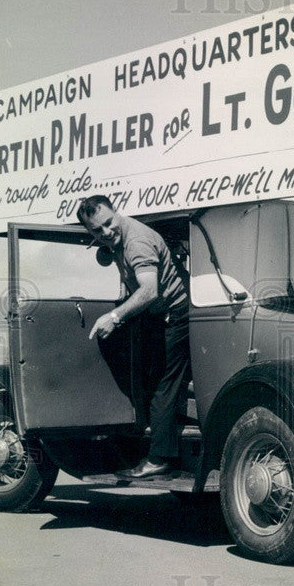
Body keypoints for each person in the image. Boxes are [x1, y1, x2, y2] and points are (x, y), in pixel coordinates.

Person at [76, 195, 191, 479]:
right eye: (96, 230)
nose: (105, 232)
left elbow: (149, 291)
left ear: (117, 213)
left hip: (179, 314)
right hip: (159, 314)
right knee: (148, 378)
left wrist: (114, 317)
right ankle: (156, 441)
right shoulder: (117, 239)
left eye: (108, 223)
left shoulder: (136, 241)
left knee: (163, 383)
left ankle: (160, 458)